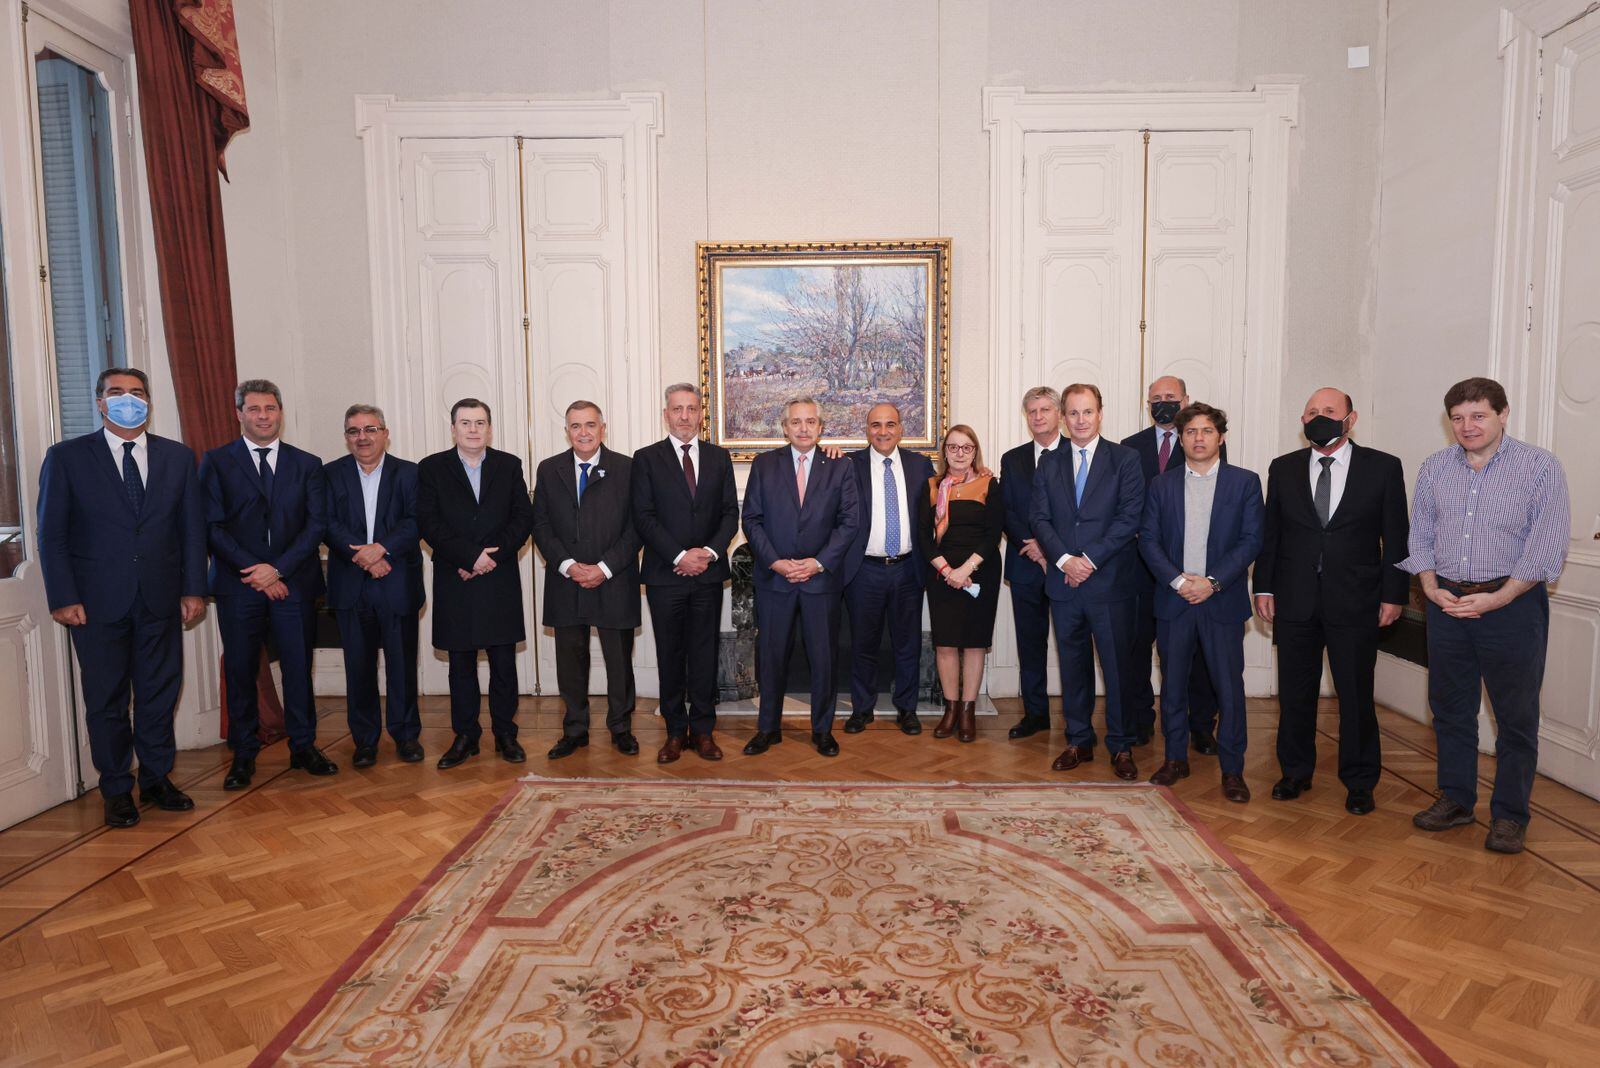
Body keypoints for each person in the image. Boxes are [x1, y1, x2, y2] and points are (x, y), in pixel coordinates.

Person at [1401, 377, 1569, 854]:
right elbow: (1422, 535)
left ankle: (1510, 815)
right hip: (1447, 604)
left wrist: (1496, 599)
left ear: (1503, 414)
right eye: (1458, 418)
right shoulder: (1435, 468)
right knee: (1450, 709)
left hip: (1512, 607)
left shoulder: (1539, 468)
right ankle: (1455, 799)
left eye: (1478, 416)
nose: (1467, 426)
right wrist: (1430, 588)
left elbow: (1546, 545)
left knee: (1515, 717)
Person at [36, 368, 207, 827]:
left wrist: (194, 588)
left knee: (158, 694)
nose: (127, 400)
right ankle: (115, 787)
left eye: (136, 393)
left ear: (149, 402)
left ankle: (155, 778)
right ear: (99, 403)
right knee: (107, 699)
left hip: (161, 599)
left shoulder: (177, 457)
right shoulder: (67, 457)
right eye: (117, 393)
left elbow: (192, 529)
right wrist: (63, 596)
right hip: (94, 604)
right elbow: (51, 535)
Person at [1254, 388, 1408, 815]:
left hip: (1356, 601)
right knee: (1295, 693)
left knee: (1356, 695)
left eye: (1328, 411)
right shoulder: (1282, 468)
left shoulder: (1382, 467)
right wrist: (1263, 587)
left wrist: (1394, 594)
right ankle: (1295, 772)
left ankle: (1360, 781)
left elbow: (1396, 537)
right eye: (1310, 412)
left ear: (1350, 419)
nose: (1318, 417)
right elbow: (1272, 534)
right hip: (1294, 601)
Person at [200, 379, 333, 790]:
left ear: (280, 412)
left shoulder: (307, 464)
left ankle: (303, 746)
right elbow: (212, 526)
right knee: (241, 669)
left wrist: (278, 570)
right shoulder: (216, 462)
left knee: (298, 668)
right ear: (238, 413)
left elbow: (316, 525)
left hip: (294, 583)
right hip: (239, 585)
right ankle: (243, 753)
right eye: (254, 409)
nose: (263, 416)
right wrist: (257, 570)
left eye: (270, 408)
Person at [1139, 402, 1263, 802]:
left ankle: (1233, 769)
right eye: (1190, 431)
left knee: (1228, 689)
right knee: (1173, 686)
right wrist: (1178, 581)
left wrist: (1212, 582)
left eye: (1207, 431)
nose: (1198, 438)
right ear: (1180, 438)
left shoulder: (1244, 482)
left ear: (1220, 437)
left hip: (1220, 601)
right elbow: (1149, 540)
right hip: (1174, 601)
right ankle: (1175, 758)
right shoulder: (1161, 485)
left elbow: (1251, 541)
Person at [1028, 383, 1145, 781]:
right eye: (1073, 413)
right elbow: (1039, 518)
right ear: (1064, 416)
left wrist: (1088, 560)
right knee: (1073, 665)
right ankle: (1078, 740)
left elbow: (1130, 518)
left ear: (1100, 413)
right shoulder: (1049, 461)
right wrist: (1063, 559)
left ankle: (1121, 744)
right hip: (1064, 584)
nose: (1080, 420)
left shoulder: (1125, 460)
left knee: (1116, 669)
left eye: (1087, 412)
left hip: (1109, 583)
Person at [416, 398, 535, 769]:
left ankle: (505, 733)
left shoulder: (509, 465)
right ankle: (466, 736)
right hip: (456, 579)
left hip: (498, 578)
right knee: (461, 664)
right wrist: (468, 558)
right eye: (465, 423)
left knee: (503, 663)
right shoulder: (432, 468)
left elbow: (523, 519)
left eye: (479, 422)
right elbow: (428, 523)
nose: (472, 429)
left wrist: (490, 558)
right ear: (453, 429)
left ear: (489, 428)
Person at [740, 397, 860, 757]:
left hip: (820, 581)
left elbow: (849, 522)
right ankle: (768, 729)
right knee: (771, 656)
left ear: (821, 427)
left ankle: (822, 730)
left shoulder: (840, 467)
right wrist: (776, 562)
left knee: (823, 658)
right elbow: (752, 520)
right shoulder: (764, 465)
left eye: (810, 422)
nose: (803, 428)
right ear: (785, 427)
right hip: (774, 580)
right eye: (796, 422)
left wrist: (818, 563)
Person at [632, 384, 738, 763]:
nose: (684, 416)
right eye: (677, 409)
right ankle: (676, 732)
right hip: (665, 575)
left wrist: (707, 553)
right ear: (666, 414)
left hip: (707, 576)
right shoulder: (645, 459)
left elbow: (730, 513)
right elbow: (643, 517)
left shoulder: (718, 457)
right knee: (671, 655)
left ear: (700, 414)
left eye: (691, 409)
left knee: (705, 654)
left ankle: (704, 732)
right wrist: (679, 555)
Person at [1121, 375, 1225, 752]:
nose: (1164, 403)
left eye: (1171, 397)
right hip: (1140, 569)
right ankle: (1141, 720)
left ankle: (1200, 726)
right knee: (1136, 650)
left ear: (1185, 399)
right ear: (1147, 403)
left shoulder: (1203, 444)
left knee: (1194, 653)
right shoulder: (1129, 448)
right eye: (1156, 398)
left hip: (1191, 575)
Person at [532, 401, 641, 759]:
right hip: (566, 580)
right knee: (570, 660)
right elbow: (542, 525)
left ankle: (621, 727)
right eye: (576, 426)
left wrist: (604, 568)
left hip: (615, 578)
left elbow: (635, 527)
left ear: (602, 428)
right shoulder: (549, 470)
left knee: (619, 661)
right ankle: (575, 729)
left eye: (590, 425)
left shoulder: (627, 468)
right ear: (567, 430)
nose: (583, 432)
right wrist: (567, 564)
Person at [323, 404, 424, 768]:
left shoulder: (410, 473)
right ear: (347, 436)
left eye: (370, 429)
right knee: (359, 666)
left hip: (396, 580)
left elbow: (416, 521)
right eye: (354, 431)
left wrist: (381, 549)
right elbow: (326, 523)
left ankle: (406, 735)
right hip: (352, 583)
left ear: (385, 432)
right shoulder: (330, 474)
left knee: (401, 664)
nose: (362, 437)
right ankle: (365, 740)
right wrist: (363, 556)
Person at [839, 403, 936, 736]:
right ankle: (862, 709)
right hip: (863, 570)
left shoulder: (921, 466)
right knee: (862, 644)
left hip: (908, 569)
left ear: (901, 429)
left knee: (907, 643)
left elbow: (936, 517)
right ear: (867, 429)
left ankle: (907, 709)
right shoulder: (848, 465)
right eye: (876, 425)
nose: (883, 431)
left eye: (890, 424)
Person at [917, 425, 1005, 741]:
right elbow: (923, 537)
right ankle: (950, 709)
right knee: (946, 643)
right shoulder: (930, 486)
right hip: (941, 573)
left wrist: (965, 568)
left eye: (966, 448)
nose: (959, 454)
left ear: (974, 451)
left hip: (980, 571)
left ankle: (968, 711)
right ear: (944, 452)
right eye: (953, 447)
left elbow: (994, 533)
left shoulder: (988, 484)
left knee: (974, 643)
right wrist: (946, 570)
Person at [998, 386, 1063, 739]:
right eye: (1032, 411)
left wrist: (1050, 549)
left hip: (1069, 568)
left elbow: (1082, 514)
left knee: (1073, 643)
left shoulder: (1078, 453)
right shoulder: (1013, 459)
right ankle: (1036, 714)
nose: (1038, 417)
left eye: (1045, 410)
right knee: (1030, 644)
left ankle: (1077, 717)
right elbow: (1006, 510)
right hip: (1026, 565)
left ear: (1059, 414)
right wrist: (1034, 546)